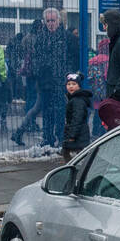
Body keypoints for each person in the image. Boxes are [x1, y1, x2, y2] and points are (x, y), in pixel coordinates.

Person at [14, 8, 71, 146]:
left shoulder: (65, 37)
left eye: (53, 20)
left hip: (61, 81)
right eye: (48, 21)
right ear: (45, 22)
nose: (51, 23)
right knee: (46, 112)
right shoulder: (41, 38)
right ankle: (47, 137)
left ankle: (60, 137)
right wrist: (41, 71)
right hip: (45, 82)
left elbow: (70, 58)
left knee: (60, 112)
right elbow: (36, 59)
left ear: (59, 20)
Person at [61, 72, 91, 159]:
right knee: (70, 155)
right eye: (68, 84)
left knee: (73, 157)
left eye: (74, 84)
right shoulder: (73, 99)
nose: (71, 86)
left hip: (78, 136)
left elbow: (77, 118)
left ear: (79, 86)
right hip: (77, 134)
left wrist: (72, 135)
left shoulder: (77, 100)